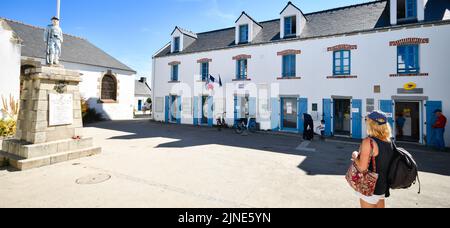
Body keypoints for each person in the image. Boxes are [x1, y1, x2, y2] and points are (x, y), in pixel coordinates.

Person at [351, 111, 395, 208]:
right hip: (382, 186)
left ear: (372, 124)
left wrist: (355, 156)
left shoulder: (369, 142)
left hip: (370, 187)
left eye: (367, 121)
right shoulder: (389, 141)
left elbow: (362, 168)